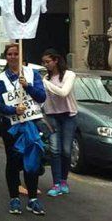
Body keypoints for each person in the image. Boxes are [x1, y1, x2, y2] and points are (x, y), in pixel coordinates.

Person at [0, 44, 47, 216]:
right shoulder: (0, 79)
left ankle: (32, 199)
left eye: (16, 53)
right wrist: (13, 110)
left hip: (31, 123)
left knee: (32, 159)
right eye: (10, 54)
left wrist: (28, 86)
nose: (13, 57)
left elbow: (41, 96)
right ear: (6, 57)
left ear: (21, 55)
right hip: (11, 126)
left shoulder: (32, 74)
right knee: (13, 161)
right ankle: (14, 198)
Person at [41, 49, 77, 197]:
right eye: (44, 62)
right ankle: (56, 183)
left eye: (48, 61)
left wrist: (45, 83)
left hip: (68, 116)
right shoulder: (46, 78)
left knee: (66, 150)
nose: (46, 65)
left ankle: (63, 181)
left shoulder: (69, 75)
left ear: (56, 60)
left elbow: (63, 92)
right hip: (52, 116)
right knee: (55, 150)